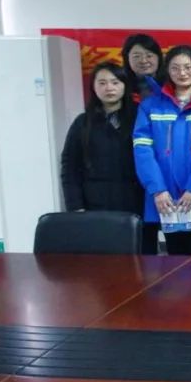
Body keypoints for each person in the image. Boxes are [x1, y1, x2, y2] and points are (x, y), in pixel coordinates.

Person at [133, 45, 191, 256]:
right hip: (165, 196)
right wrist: (158, 189)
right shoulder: (151, 106)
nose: (182, 73)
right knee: (174, 258)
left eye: (188, 67)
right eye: (175, 68)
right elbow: (143, 151)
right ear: (167, 70)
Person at [60, 62, 147, 246]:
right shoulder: (82, 123)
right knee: (100, 257)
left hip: (136, 201)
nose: (109, 88)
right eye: (102, 83)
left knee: (140, 255)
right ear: (93, 87)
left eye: (115, 82)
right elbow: (70, 168)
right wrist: (76, 206)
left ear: (125, 85)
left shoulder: (141, 118)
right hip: (95, 204)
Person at [122, 33, 164, 102]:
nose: (143, 61)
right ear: (127, 59)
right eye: (137, 56)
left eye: (149, 56)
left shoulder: (171, 84)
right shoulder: (120, 84)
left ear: (159, 58)